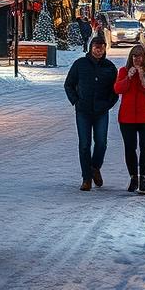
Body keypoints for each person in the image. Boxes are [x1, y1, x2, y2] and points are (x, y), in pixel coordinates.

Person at [63, 34, 119, 191]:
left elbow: (115, 90)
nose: (98, 50)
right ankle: (86, 178)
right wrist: (76, 101)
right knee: (84, 144)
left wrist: (108, 104)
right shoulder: (80, 64)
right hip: (83, 111)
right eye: (96, 47)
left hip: (101, 111)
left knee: (101, 143)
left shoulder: (109, 67)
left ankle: (95, 167)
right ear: (91, 48)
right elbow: (69, 84)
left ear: (104, 49)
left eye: (101, 47)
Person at [114, 42, 145, 194]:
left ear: (144, 57)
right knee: (130, 148)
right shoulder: (123, 71)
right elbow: (117, 89)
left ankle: (143, 178)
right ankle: (133, 177)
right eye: (134, 56)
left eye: (140, 56)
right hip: (127, 117)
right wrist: (128, 78)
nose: (137, 59)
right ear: (131, 57)